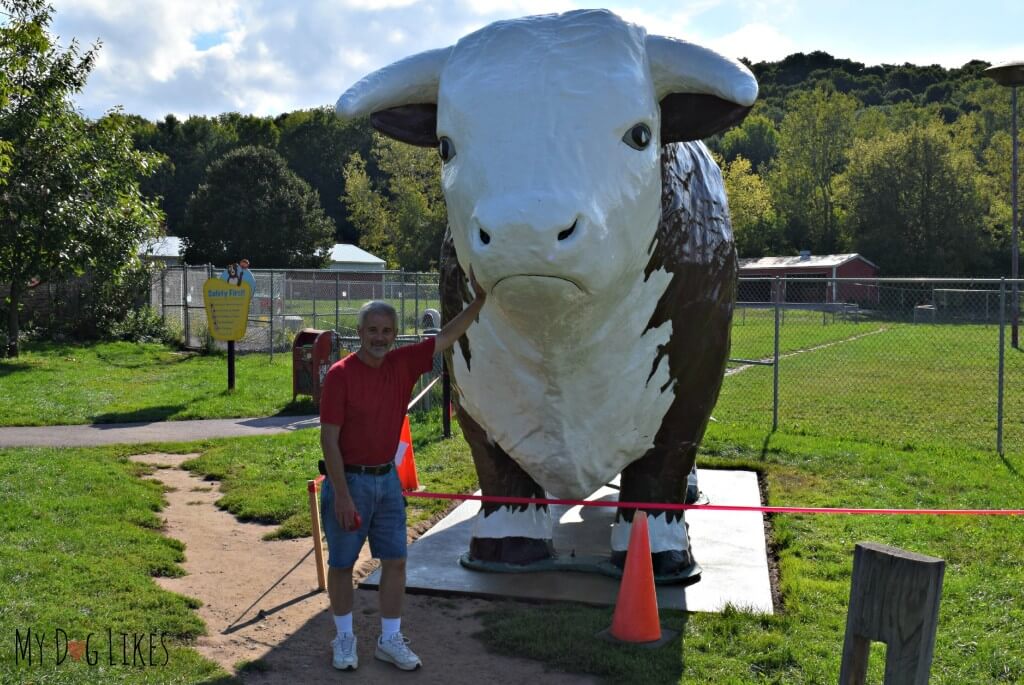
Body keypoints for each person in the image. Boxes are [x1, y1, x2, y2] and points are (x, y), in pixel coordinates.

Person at [318, 269, 486, 672]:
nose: (379, 337)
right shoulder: (340, 376)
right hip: (349, 482)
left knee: (395, 561)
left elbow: (446, 336)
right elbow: (328, 439)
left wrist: (480, 301)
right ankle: (344, 639)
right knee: (342, 565)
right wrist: (341, 494)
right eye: (372, 329)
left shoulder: (404, 363)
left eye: (387, 330)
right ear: (359, 332)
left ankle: (389, 639)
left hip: (387, 482)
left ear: (395, 334)